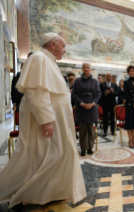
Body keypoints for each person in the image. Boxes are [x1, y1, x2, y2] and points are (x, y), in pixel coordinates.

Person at [0, 33, 86, 209]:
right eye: (63, 46)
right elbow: (36, 92)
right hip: (47, 121)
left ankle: (50, 191)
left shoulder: (49, 61)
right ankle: (31, 192)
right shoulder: (39, 58)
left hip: (57, 120)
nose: (65, 50)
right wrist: (46, 120)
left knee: (58, 154)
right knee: (45, 155)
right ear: (53, 44)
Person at [72, 63, 101, 156]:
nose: (86, 69)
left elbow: (98, 94)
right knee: (83, 129)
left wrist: (93, 103)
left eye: (88, 68)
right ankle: (83, 148)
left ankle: (90, 148)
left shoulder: (95, 81)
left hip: (92, 108)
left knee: (91, 129)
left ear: (91, 69)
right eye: (84, 67)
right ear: (82, 69)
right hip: (81, 109)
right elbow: (74, 94)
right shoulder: (77, 81)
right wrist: (82, 104)